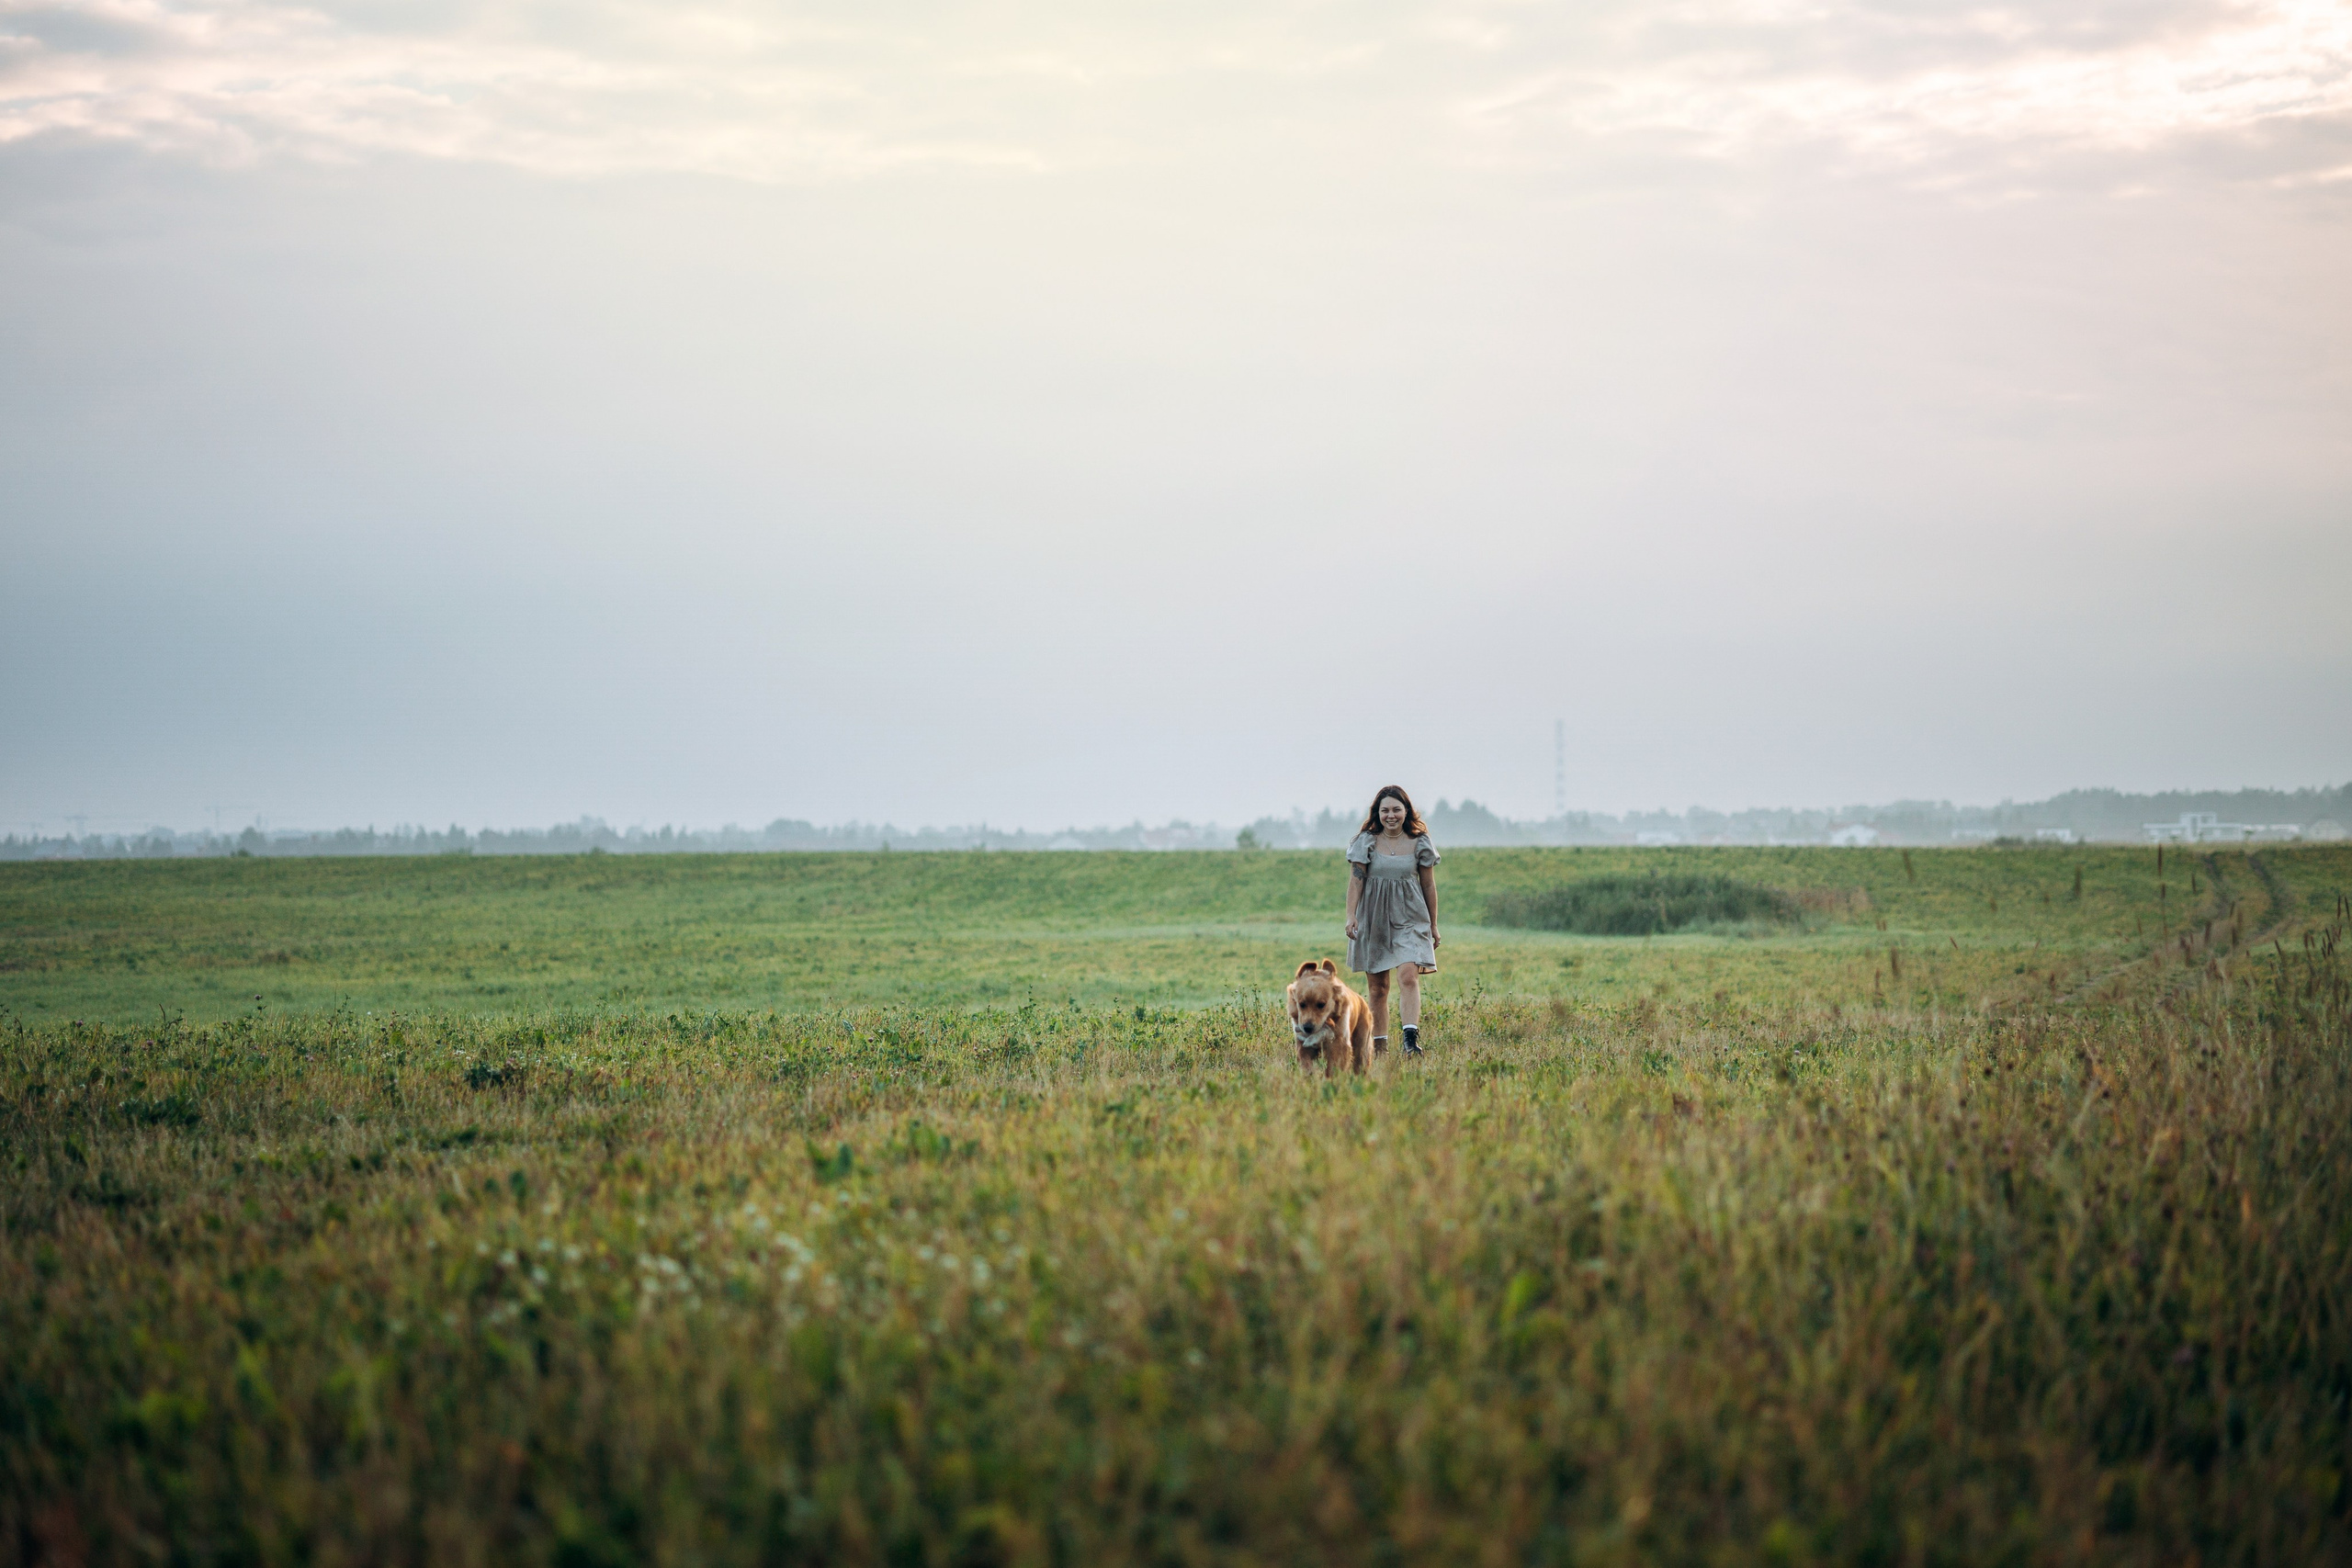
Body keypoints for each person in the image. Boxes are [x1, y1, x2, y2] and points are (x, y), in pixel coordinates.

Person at [1343, 784, 1440, 1056]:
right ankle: (1380, 1047)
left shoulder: (1420, 841)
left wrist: (1433, 924)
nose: (1391, 815)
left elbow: (1429, 886)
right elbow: (1356, 880)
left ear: (1406, 811)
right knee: (1378, 988)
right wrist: (1351, 916)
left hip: (1410, 917)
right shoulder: (1366, 841)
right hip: (1373, 917)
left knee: (1408, 976)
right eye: (1385, 810)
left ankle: (1410, 1041)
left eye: (1397, 809)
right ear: (1378, 813)